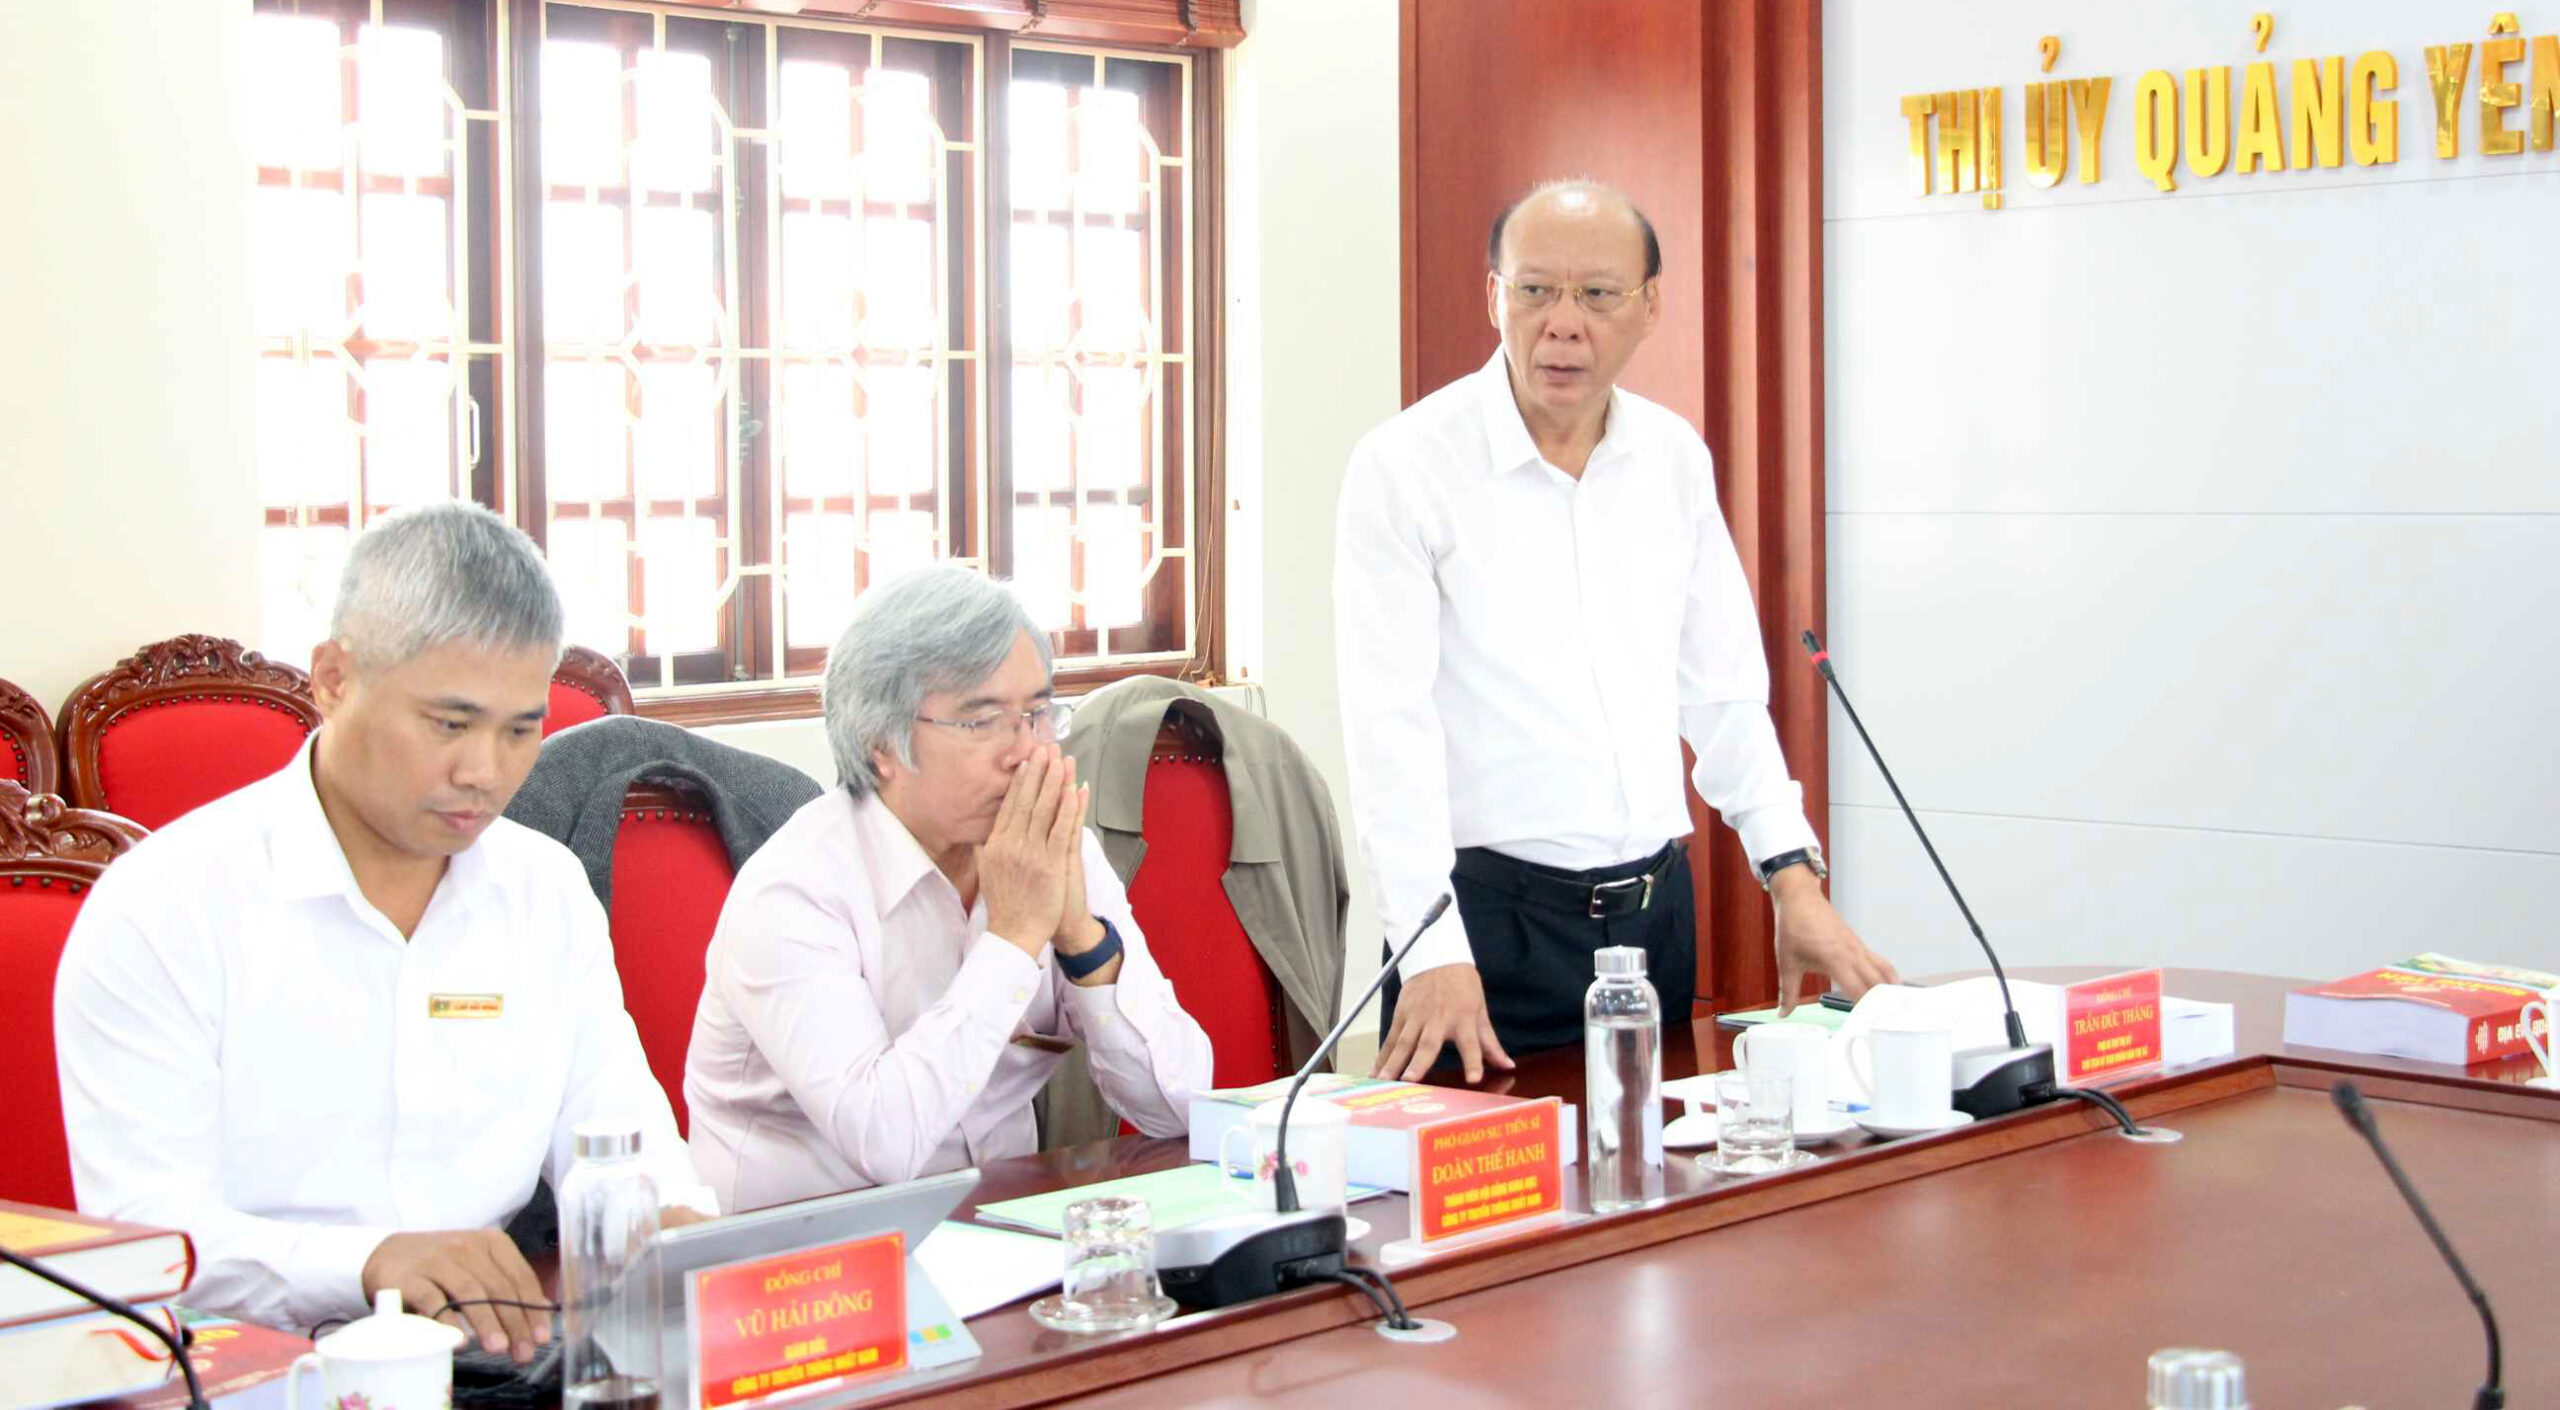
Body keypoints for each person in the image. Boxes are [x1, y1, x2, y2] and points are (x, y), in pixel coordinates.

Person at [54, 502, 712, 1352]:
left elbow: (618, 1135)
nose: (484, 772)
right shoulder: (165, 906)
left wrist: (668, 1221)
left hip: (489, 1358)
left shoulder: (543, 889)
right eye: (449, 724)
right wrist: (366, 1263)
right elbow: (146, 1237)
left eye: (521, 731)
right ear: (333, 678)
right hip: (243, 1366)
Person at [1334, 180, 1902, 1084]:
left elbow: (1721, 694)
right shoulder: (1406, 466)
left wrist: (1792, 877)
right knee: (1485, 1177)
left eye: (1598, 295)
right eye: (1534, 291)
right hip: (1484, 931)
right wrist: (1428, 944)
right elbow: (1387, 731)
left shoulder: (1671, 457)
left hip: (1652, 923)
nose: (1562, 325)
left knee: (1654, 1166)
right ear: (1493, 296)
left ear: (1649, 306)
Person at [683, 567, 1212, 1214]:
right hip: (810, 1254)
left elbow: (1183, 1109)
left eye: (1038, 714)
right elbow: (886, 1146)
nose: (1026, 751)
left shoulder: (1049, 849)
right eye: (983, 721)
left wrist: (1083, 940)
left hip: (999, 1236)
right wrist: (1014, 937)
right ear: (881, 743)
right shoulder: (793, 893)